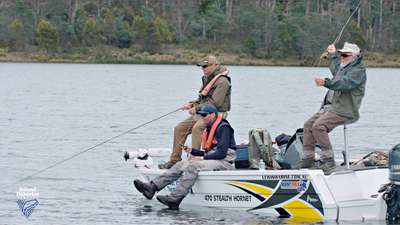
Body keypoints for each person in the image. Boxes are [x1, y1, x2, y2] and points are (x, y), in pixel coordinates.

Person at [134, 104, 236, 210]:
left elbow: (222, 153)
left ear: (213, 115)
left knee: (193, 166)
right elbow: (210, 152)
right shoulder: (209, 128)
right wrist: (193, 151)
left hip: (224, 162)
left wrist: (201, 158)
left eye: (204, 115)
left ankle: (175, 199)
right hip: (214, 159)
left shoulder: (223, 127)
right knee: (180, 164)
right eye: (201, 115)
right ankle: (152, 187)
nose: (202, 117)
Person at [299, 42, 367, 173]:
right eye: (341, 54)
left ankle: (328, 161)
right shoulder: (344, 67)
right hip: (331, 107)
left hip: (345, 110)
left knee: (319, 126)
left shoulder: (358, 71)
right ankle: (307, 161)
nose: (342, 57)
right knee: (308, 125)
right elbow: (336, 67)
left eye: (345, 55)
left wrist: (326, 82)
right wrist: (333, 54)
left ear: (354, 57)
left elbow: (344, 84)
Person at [158, 55, 231, 169]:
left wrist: (196, 109)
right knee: (179, 128)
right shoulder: (207, 78)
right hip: (203, 112)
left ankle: (194, 161)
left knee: (197, 128)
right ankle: (174, 160)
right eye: (202, 67)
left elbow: (215, 103)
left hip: (216, 114)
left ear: (214, 65)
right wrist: (191, 104)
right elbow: (202, 99)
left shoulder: (222, 81)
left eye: (205, 66)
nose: (203, 69)